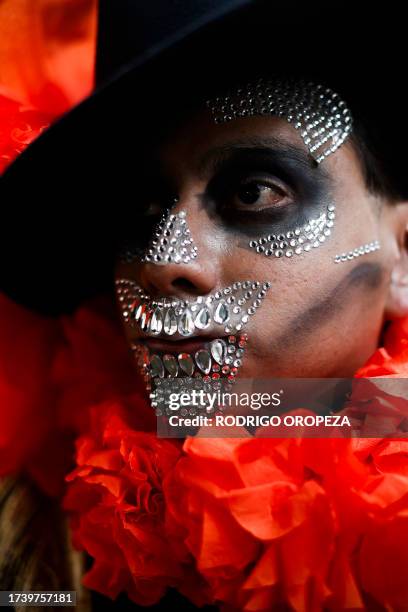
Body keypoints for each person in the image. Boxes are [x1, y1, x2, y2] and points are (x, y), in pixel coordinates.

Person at [0, 1, 407, 610]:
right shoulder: (38, 564)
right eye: (140, 212)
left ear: (404, 255)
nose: (166, 262)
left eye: (253, 191)